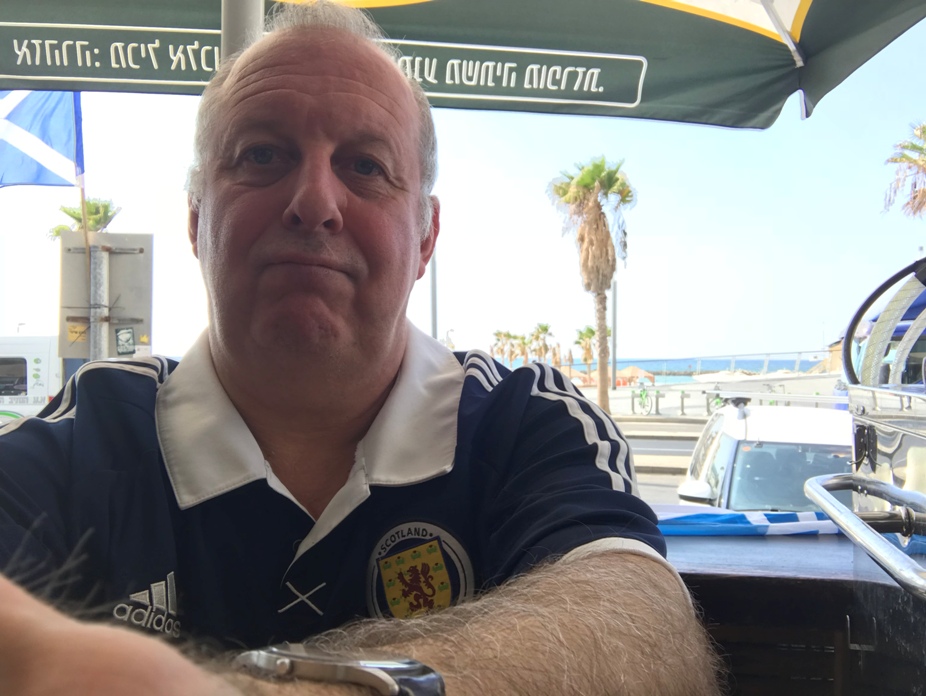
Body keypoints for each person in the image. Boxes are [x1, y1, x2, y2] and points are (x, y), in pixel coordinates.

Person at [0, 2, 722, 694]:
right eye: (262, 155)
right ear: (196, 218)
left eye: (366, 166)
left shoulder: (527, 421)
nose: (314, 202)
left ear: (426, 237)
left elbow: (643, 636)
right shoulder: (85, 435)